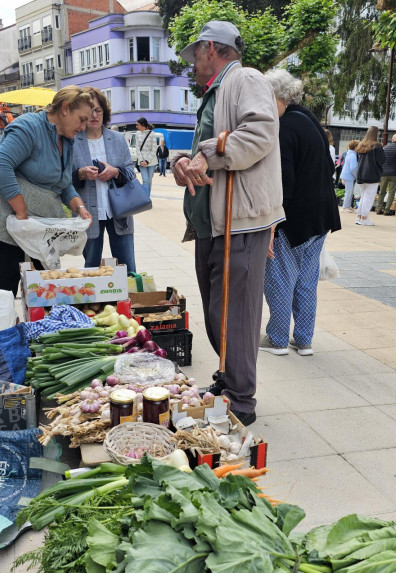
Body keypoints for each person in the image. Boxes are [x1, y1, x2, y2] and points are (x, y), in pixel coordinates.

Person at [171, 20, 284, 426]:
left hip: (240, 222)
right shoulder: (214, 93)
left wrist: (207, 156)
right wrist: (184, 161)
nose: (193, 64)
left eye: (195, 54)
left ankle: (241, 400)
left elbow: (258, 133)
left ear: (211, 48)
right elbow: (206, 149)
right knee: (218, 313)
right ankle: (227, 378)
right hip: (214, 224)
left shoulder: (246, 79)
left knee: (234, 314)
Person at [0, 86, 94, 294]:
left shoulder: (67, 140)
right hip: (0, 201)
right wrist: (21, 211)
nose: (84, 127)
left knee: (45, 268)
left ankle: (42, 318)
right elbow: (1, 165)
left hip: (33, 209)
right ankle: (2, 320)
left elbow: (64, 182)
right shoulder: (28, 127)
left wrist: (79, 207)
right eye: (82, 119)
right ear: (65, 108)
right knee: (12, 268)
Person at [260, 69, 341, 357]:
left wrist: (271, 226)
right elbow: (329, 167)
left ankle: (278, 338)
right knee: (306, 280)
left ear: (275, 96)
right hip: (321, 215)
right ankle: (303, 339)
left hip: (294, 217)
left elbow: (283, 180)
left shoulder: (283, 127)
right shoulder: (309, 120)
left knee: (280, 277)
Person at [71, 87, 137, 272]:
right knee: (91, 266)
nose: (94, 115)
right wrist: (81, 174)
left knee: (127, 266)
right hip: (88, 213)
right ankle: (94, 301)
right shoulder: (73, 140)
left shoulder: (117, 139)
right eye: (90, 111)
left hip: (119, 211)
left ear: (104, 112)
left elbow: (131, 173)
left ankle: (129, 300)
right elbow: (64, 179)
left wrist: (116, 172)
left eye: (98, 110)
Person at [354, 126, 385, 226]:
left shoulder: (361, 145)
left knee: (363, 196)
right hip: (372, 174)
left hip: (361, 173)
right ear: (376, 134)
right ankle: (364, 217)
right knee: (369, 197)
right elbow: (382, 160)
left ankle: (359, 216)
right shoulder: (377, 146)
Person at [375, 133, 396, 215]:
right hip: (395, 173)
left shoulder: (385, 147)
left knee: (382, 191)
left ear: (392, 139)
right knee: (391, 192)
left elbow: (381, 159)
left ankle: (378, 208)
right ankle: (387, 210)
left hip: (384, 172)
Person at [135, 117, 156, 195]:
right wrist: (141, 160)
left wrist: (147, 161)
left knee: (149, 180)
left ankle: (148, 196)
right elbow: (137, 148)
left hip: (152, 161)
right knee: (145, 179)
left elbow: (154, 149)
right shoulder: (137, 134)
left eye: (138, 125)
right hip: (141, 161)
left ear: (143, 125)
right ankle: (145, 198)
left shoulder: (152, 134)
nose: (136, 126)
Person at [339, 140, 359, 212]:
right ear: (355, 147)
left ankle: (348, 206)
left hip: (346, 175)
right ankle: (345, 207)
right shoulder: (353, 155)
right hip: (349, 176)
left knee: (349, 192)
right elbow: (353, 168)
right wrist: (357, 176)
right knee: (349, 192)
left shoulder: (349, 154)